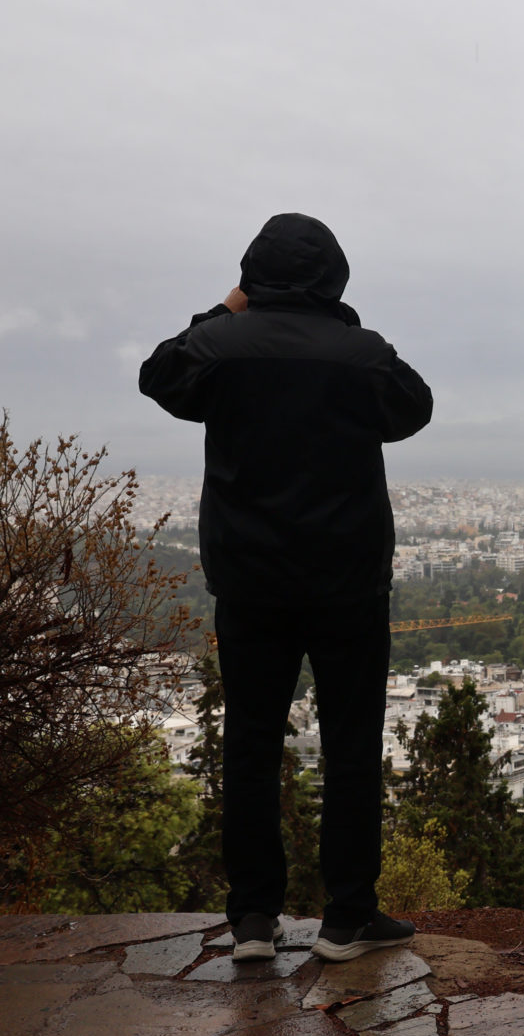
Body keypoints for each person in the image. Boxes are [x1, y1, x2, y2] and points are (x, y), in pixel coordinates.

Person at [140, 213, 433, 964]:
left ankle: (254, 921)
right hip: (346, 583)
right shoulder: (359, 352)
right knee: (351, 745)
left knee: (250, 746)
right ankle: (346, 917)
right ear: (334, 275)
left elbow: (158, 372)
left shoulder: (217, 345)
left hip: (251, 582)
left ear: (251, 274)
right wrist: (346, 330)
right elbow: (414, 407)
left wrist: (229, 307)